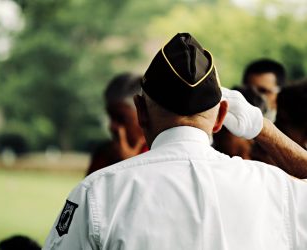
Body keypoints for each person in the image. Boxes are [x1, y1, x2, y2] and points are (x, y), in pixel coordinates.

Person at [43, 33, 307, 250]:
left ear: (141, 112)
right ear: (221, 117)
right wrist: (262, 127)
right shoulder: (274, 187)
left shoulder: (97, 192)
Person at [86, 73, 147, 176]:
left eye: (121, 118)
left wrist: (129, 167)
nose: (112, 126)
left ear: (144, 114)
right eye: (111, 117)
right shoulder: (103, 154)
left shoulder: (161, 154)